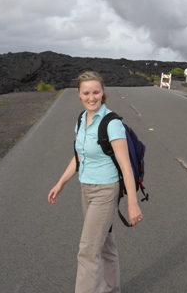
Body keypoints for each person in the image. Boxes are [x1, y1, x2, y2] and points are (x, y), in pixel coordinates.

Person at [48, 71, 143, 293]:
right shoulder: (82, 119)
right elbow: (79, 155)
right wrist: (60, 183)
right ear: (79, 94)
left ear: (103, 93)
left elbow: (125, 165)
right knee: (104, 245)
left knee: (87, 251)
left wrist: (132, 203)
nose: (92, 97)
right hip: (86, 189)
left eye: (96, 92)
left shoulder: (111, 123)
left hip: (106, 191)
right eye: (86, 93)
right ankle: (111, 289)